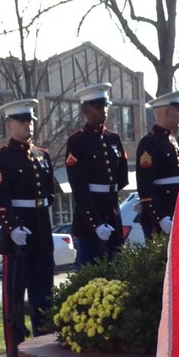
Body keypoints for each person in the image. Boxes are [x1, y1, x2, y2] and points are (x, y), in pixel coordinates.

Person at [0, 98, 57, 357]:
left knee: (44, 294)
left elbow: (48, 193)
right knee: (15, 297)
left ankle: (43, 344)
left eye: (30, 121)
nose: (27, 126)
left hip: (40, 232)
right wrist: (12, 226)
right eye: (21, 121)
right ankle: (16, 350)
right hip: (18, 237)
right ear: (9, 124)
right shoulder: (0, 158)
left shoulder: (42, 155)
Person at [64, 82, 129, 267]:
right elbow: (79, 188)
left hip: (112, 214)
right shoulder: (77, 142)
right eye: (98, 107)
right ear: (85, 109)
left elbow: (122, 178)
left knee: (117, 272)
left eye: (105, 106)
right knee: (88, 273)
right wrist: (96, 223)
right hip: (89, 221)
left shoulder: (113, 139)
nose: (104, 112)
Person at [135, 90, 179, 239]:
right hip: (159, 219)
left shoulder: (171, 141)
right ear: (167, 112)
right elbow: (145, 186)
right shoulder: (149, 143)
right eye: (178, 111)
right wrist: (161, 217)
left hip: (174, 213)